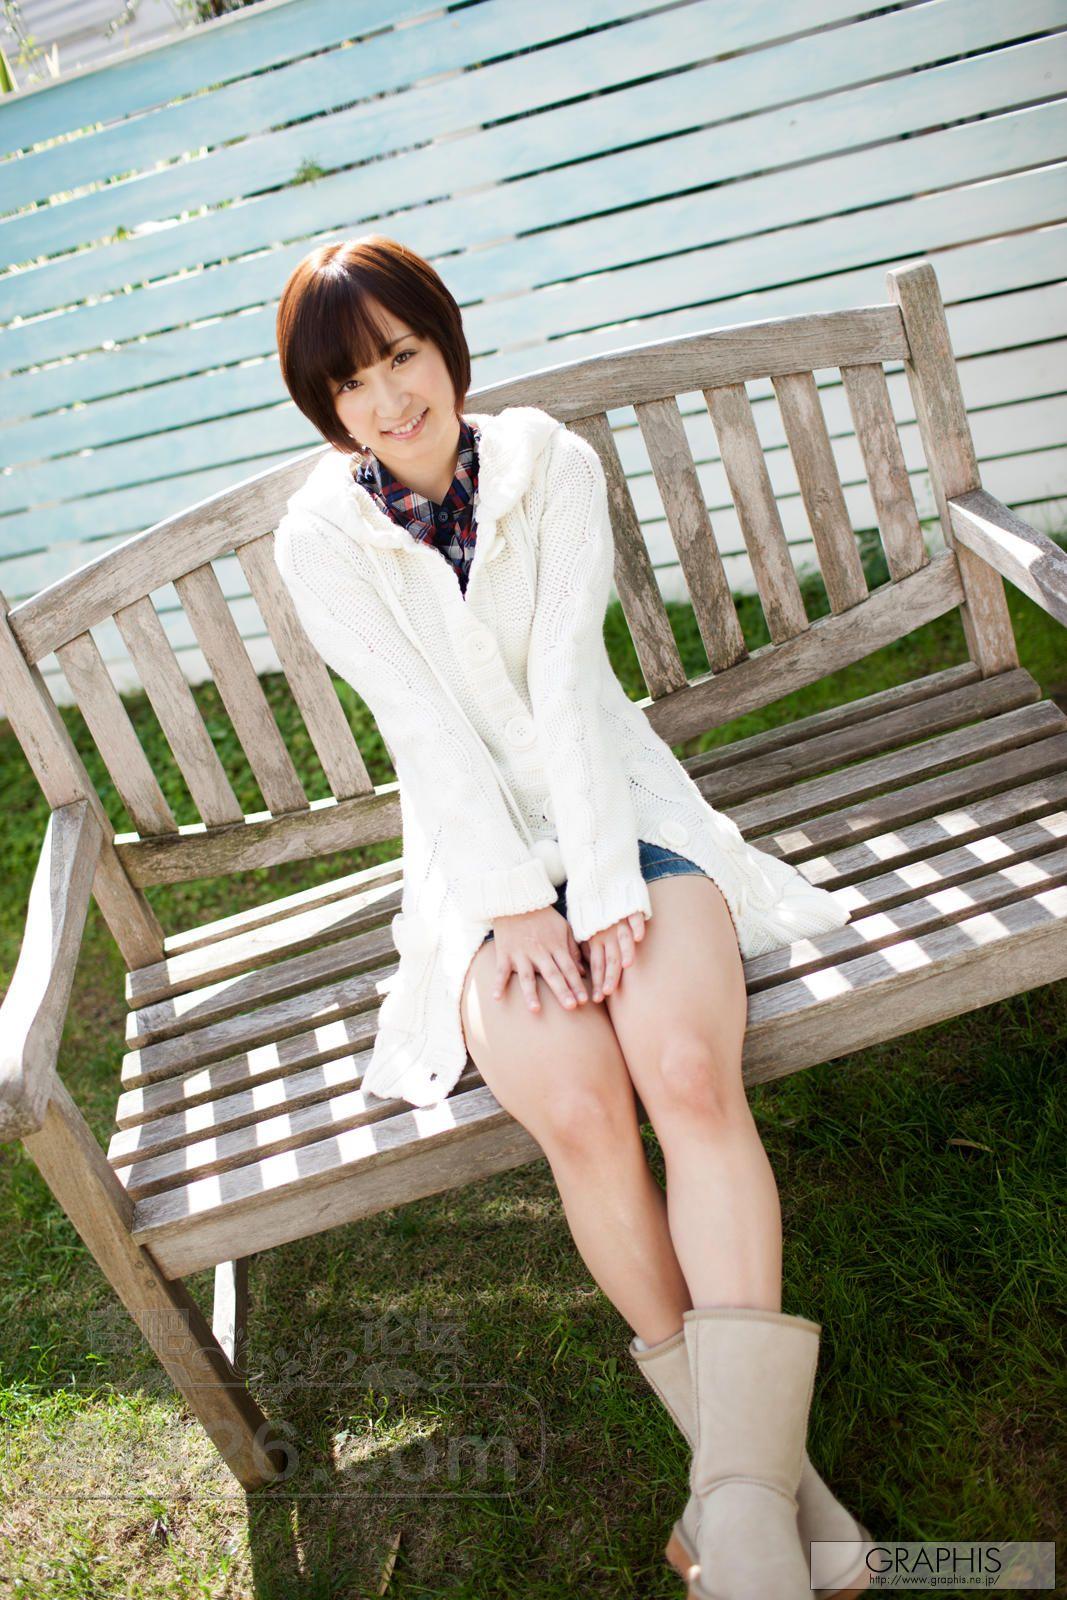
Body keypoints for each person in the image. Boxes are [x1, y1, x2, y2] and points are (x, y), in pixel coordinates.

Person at [273, 234, 872, 1599]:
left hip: (625, 815)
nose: (389, 399)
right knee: (588, 1112)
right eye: (352, 382)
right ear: (326, 405)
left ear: (447, 347)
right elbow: (426, 737)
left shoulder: (548, 463)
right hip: (474, 874)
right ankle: (765, 1490)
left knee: (684, 1072)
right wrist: (512, 907)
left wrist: (601, 889)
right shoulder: (320, 537)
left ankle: (732, 1507)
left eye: (403, 357)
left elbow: (565, 683)